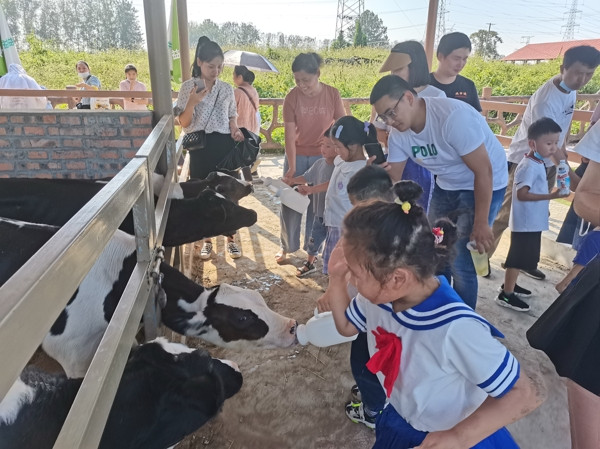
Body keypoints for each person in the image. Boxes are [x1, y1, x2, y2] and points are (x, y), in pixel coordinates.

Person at [325, 180, 543, 449]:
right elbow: (347, 326)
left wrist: (457, 438)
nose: (351, 279)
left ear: (396, 278)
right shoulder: (379, 298)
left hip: (452, 435)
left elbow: (527, 392)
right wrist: (335, 280)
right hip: (400, 416)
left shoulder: (455, 328)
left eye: (354, 274)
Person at [370, 75, 508, 309]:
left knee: (461, 259)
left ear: (409, 98)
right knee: (435, 247)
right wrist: (374, 172)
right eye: (383, 117)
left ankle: (464, 322)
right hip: (446, 184)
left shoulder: (452, 118)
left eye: (391, 112)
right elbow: (394, 177)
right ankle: (440, 308)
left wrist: (482, 223)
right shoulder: (399, 134)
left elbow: (483, 171)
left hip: (484, 182)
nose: (389, 121)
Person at [489, 45, 600, 280]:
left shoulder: (569, 89)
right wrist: (571, 175)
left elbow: (564, 127)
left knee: (538, 214)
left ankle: (526, 262)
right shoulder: (546, 101)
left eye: (589, 73)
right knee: (506, 216)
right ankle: (480, 259)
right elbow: (545, 145)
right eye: (578, 72)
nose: (583, 79)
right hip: (526, 162)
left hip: (549, 162)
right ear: (563, 68)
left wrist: (563, 154)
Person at [175, 36, 244, 260]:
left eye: (219, 67)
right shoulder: (188, 87)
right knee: (204, 193)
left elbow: (232, 114)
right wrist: (193, 102)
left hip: (224, 145)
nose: (215, 71)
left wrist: (235, 129)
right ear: (199, 63)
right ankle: (206, 240)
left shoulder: (225, 89)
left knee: (229, 192)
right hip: (200, 148)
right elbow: (183, 123)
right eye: (211, 66)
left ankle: (231, 238)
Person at [276, 52, 345, 264]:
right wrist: (291, 167)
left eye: (305, 80)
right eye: (297, 80)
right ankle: (287, 247)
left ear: (318, 74)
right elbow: (289, 133)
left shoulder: (332, 94)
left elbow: (342, 126)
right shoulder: (292, 97)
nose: (301, 85)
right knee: (290, 201)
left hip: (324, 157)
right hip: (297, 153)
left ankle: (311, 251)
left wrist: (335, 153)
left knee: (318, 206)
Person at [497, 118, 569, 311]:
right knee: (516, 258)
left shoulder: (538, 163)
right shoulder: (527, 165)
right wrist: (551, 195)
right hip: (525, 222)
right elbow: (522, 194)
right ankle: (506, 295)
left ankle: (510, 285)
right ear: (532, 144)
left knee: (524, 257)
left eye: (556, 143)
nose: (553, 148)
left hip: (533, 221)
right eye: (549, 143)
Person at [376, 41, 445, 211]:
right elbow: (379, 128)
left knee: (416, 213)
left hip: (422, 164)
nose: (394, 74)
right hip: (393, 158)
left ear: (415, 66)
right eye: (392, 71)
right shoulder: (386, 93)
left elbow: (438, 136)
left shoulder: (436, 96)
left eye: (398, 69)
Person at [284, 132, 336, 277]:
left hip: (335, 215)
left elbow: (331, 184)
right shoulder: (319, 163)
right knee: (314, 239)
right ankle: (310, 263)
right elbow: (307, 177)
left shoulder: (340, 166)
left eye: (328, 146)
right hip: (319, 213)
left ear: (338, 147)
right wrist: (292, 181)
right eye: (322, 144)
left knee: (334, 245)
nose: (323, 149)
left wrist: (311, 189)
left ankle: (333, 271)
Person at [321, 116, 369, 274]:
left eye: (338, 146)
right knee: (333, 269)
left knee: (343, 270)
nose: (335, 151)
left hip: (347, 227)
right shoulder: (342, 160)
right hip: (333, 222)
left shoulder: (362, 170)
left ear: (353, 146)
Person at [429, 32, 482, 111]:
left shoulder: (468, 86)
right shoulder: (423, 84)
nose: (461, 64)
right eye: (456, 59)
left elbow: (476, 119)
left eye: (464, 59)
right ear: (440, 56)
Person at [556, 226, 600, 293]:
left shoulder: (594, 238)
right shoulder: (595, 238)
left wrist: (563, 284)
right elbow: (582, 264)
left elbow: (581, 265)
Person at [233, 65, 260, 134]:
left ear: (240, 77)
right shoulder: (254, 91)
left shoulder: (237, 92)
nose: (233, 78)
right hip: (253, 129)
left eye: (234, 75)